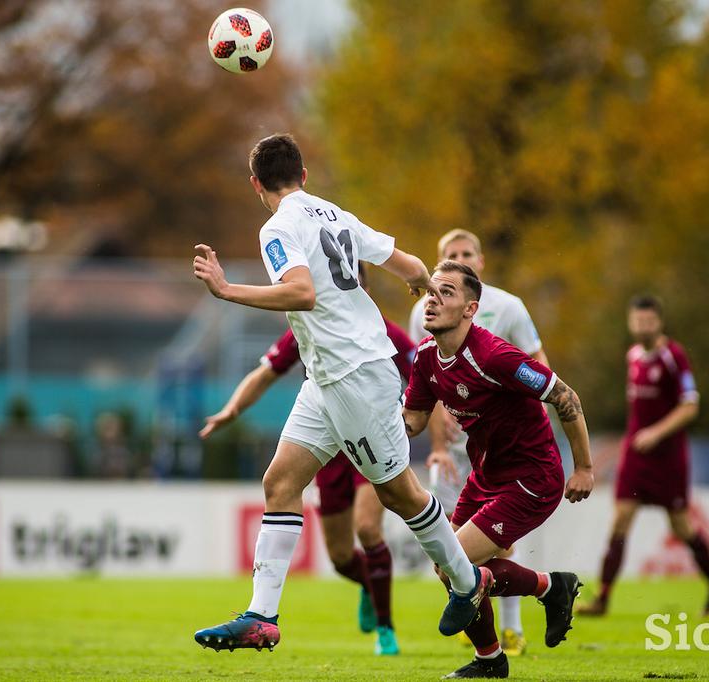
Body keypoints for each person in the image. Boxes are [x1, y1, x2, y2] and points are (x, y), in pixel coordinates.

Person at [192, 133, 489, 653]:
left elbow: (302, 292)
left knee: (399, 495)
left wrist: (226, 289)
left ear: (255, 184)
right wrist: (422, 287)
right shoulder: (336, 215)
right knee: (280, 482)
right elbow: (415, 267)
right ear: (304, 175)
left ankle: (468, 584)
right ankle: (262, 616)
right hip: (326, 376)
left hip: (356, 374)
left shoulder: (278, 227)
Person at [198, 266, 415, 656]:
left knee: (368, 530)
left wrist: (413, 414)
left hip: (370, 439)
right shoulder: (307, 324)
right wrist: (232, 411)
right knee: (340, 557)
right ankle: (369, 584)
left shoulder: (384, 330)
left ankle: (386, 628)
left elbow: (423, 374)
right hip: (326, 449)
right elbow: (265, 374)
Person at [402, 260, 594, 679]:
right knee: (446, 567)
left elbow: (565, 396)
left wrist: (583, 467)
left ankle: (535, 604)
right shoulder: (426, 359)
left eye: (446, 292)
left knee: (457, 564)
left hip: (533, 477)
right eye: (431, 291)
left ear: (471, 309)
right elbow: (412, 422)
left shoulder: (495, 355)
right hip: (486, 474)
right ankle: (508, 636)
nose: (432, 299)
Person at [409, 229, 549, 656]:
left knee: (484, 547)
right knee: (450, 559)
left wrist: (530, 433)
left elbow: (543, 373)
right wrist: (435, 443)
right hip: (458, 449)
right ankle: (495, 643)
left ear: (480, 262)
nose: (458, 257)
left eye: (465, 254)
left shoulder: (508, 308)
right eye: (449, 255)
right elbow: (425, 386)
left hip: (508, 447)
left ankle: (509, 630)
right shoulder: (424, 312)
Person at [576, 295, 709, 617]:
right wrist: (634, 439)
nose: (643, 326)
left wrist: (656, 433)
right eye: (638, 321)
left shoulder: (674, 356)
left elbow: (690, 406)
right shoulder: (633, 356)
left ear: (659, 322)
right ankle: (603, 598)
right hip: (636, 457)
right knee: (620, 521)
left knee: (682, 527)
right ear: (631, 323)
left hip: (668, 458)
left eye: (649, 321)